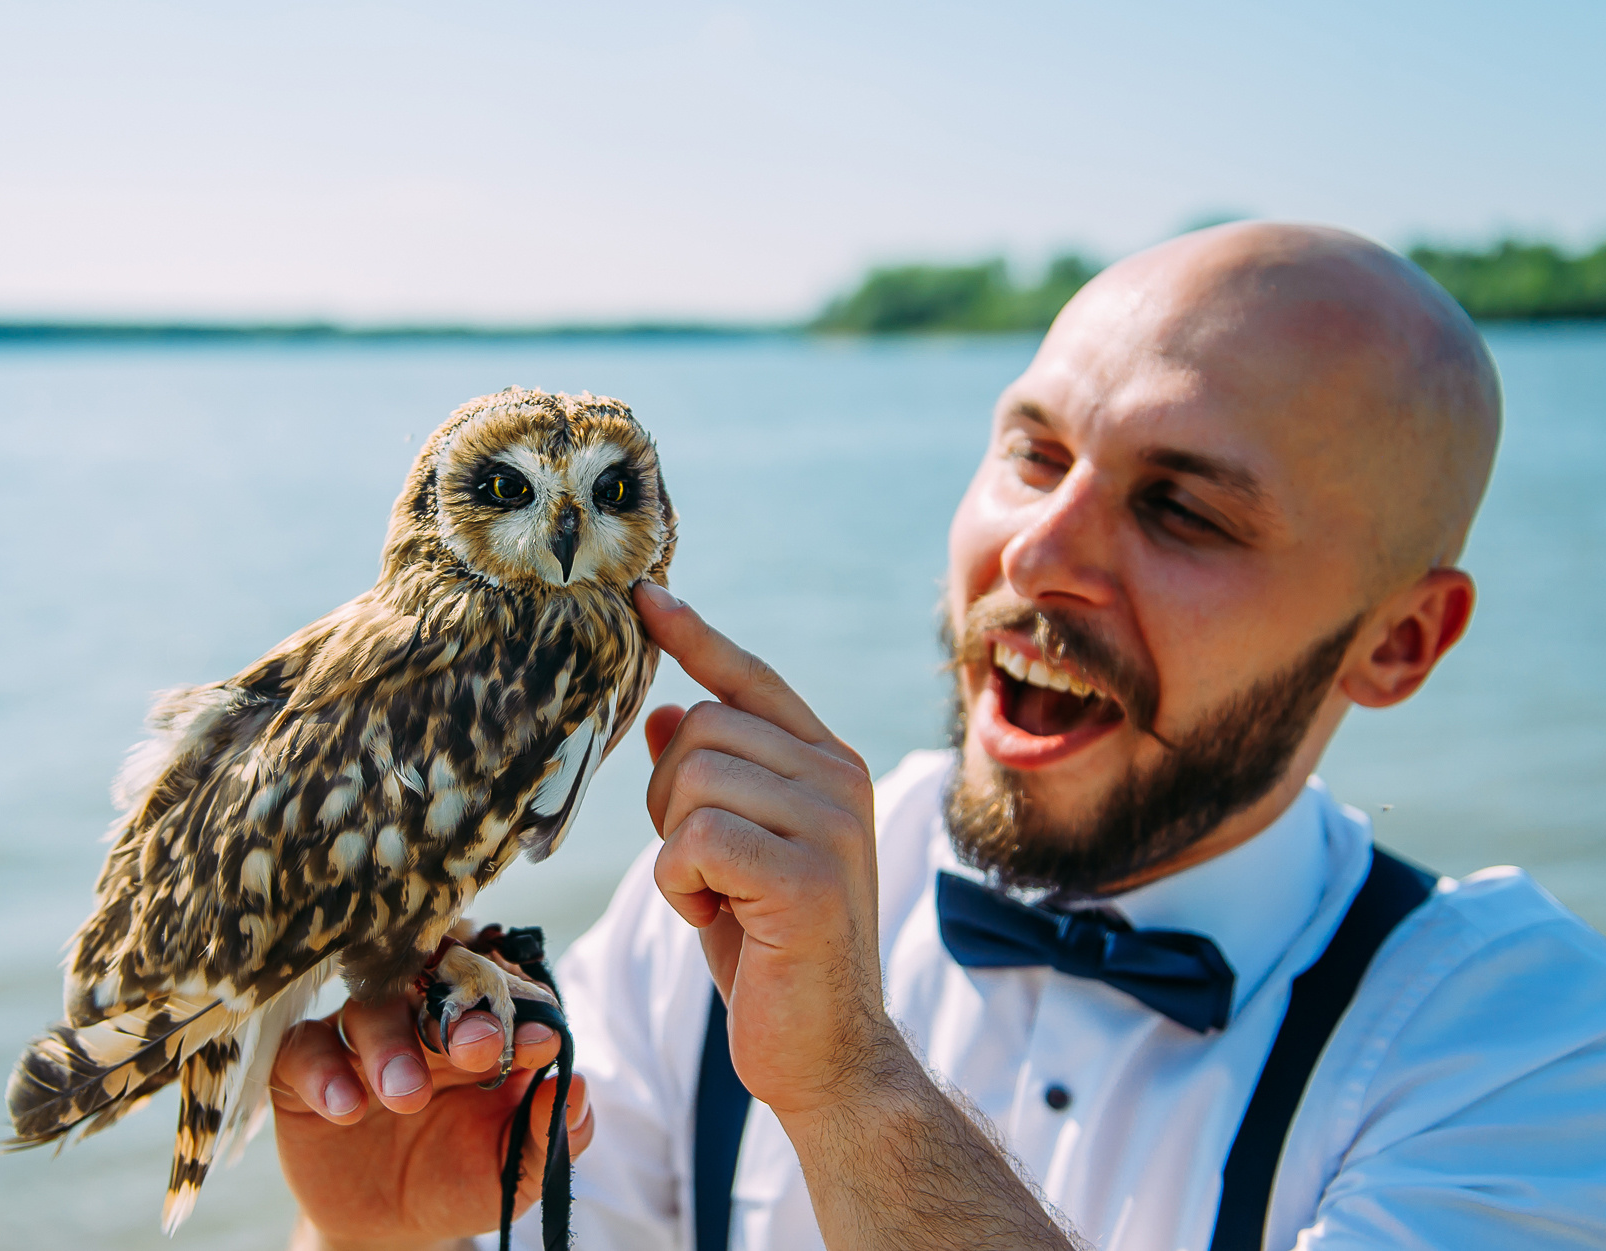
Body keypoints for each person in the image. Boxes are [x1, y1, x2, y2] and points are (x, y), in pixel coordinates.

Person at [269, 222, 1606, 1250]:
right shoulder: (716, 903)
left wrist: (855, 1093)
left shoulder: (1525, 1055)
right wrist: (373, 1233)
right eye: (1035, 454)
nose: (1038, 551)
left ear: (1401, 643)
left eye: (1182, 511)